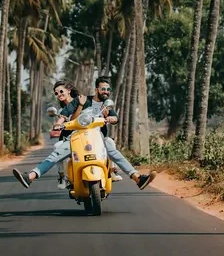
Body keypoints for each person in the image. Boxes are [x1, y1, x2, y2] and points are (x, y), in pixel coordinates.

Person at [13, 76, 157, 190]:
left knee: (111, 147)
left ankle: (137, 178)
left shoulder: (105, 104)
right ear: (96, 90)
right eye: (103, 89)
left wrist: (111, 118)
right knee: (56, 153)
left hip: (97, 137)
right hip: (76, 138)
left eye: (107, 89)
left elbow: (114, 117)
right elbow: (64, 114)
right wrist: (58, 124)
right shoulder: (80, 101)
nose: (106, 91)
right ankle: (31, 176)